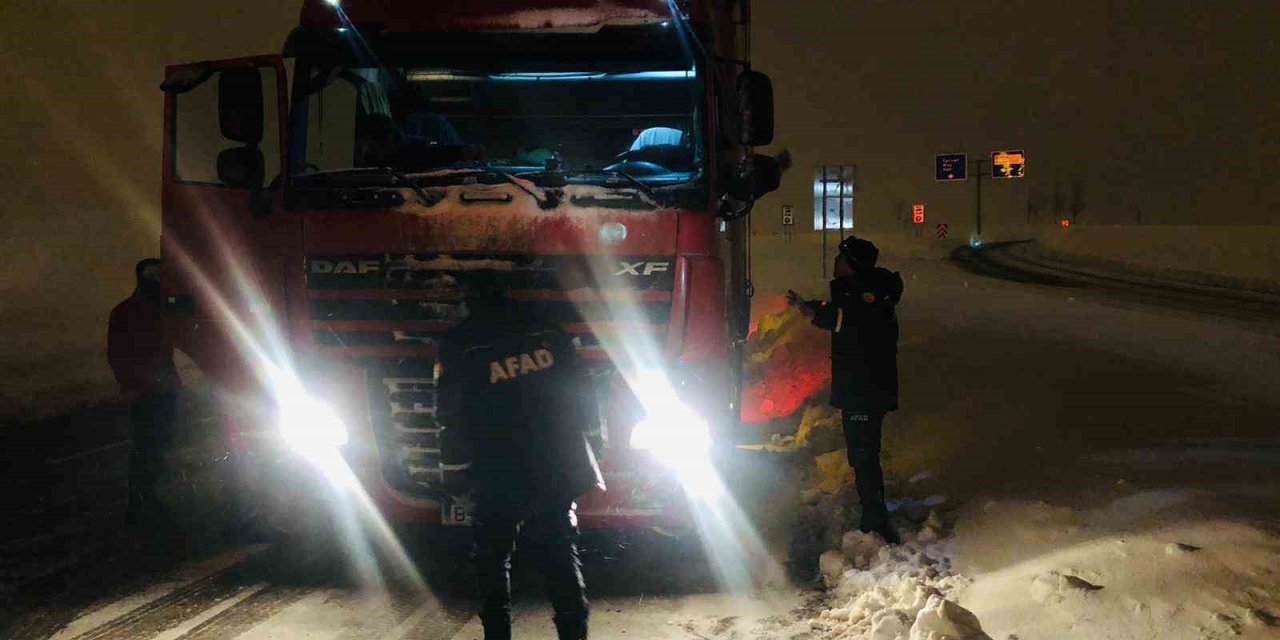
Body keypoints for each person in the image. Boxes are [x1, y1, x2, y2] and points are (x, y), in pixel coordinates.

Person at [437, 289, 605, 640]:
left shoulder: (463, 343)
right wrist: (592, 449)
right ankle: (574, 633)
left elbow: (451, 415)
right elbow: (582, 393)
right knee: (559, 551)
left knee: (493, 559)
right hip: (552, 463)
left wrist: (454, 471)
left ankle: (497, 635)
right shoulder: (548, 333)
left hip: (497, 468)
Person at [788, 236, 904, 544]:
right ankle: (873, 513)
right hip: (865, 388)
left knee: (864, 456)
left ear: (852, 265)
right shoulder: (869, 293)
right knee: (863, 454)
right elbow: (838, 312)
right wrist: (810, 307)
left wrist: (813, 312)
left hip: (864, 390)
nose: (836, 263)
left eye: (841, 258)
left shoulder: (867, 298)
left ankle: (876, 521)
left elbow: (843, 318)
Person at [107, 258, 182, 528]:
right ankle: (142, 504)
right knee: (148, 449)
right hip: (149, 391)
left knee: (153, 448)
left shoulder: (140, 310)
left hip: (156, 389)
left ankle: (145, 501)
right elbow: (119, 355)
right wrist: (132, 385)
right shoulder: (134, 312)